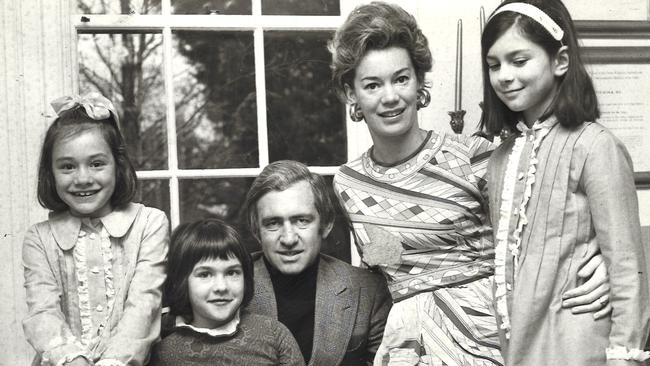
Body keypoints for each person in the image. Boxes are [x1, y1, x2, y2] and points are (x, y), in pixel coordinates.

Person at [329, 2, 614, 365]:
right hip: (407, 345)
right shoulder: (347, 183)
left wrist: (601, 259)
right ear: (352, 94)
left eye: (401, 79)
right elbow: (379, 272)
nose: (390, 97)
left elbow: (551, 235)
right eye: (372, 84)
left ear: (419, 83)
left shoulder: (476, 156)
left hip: (488, 337)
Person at [480, 1, 650, 365]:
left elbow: (626, 264)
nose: (504, 76)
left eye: (519, 61)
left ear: (560, 61)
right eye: (494, 65)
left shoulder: (595, 145)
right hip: (519, 345)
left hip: (580, 346)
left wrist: (624, 357)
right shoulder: (500, 159)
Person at [22, 93, 168, 366]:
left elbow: (144, 306)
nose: (83, 178)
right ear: (50, 173)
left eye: (96, 163)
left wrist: (112, 362)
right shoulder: (39, 238)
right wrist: (74, 360)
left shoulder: (150, 223)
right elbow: (43, 313)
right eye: (67, 166)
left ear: (118, 165)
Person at [240, 160, 392, 366]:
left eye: (302, 221)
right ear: (257, 231)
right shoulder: (230, 286)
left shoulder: (368, 291)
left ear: (326, 225)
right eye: (273, 223)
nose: (289, 239)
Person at [150, 219, 305, 365]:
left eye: (232, 273)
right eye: (205, 274)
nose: (221, 287)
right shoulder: (163, 353)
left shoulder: (273, 333)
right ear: (181, 282)